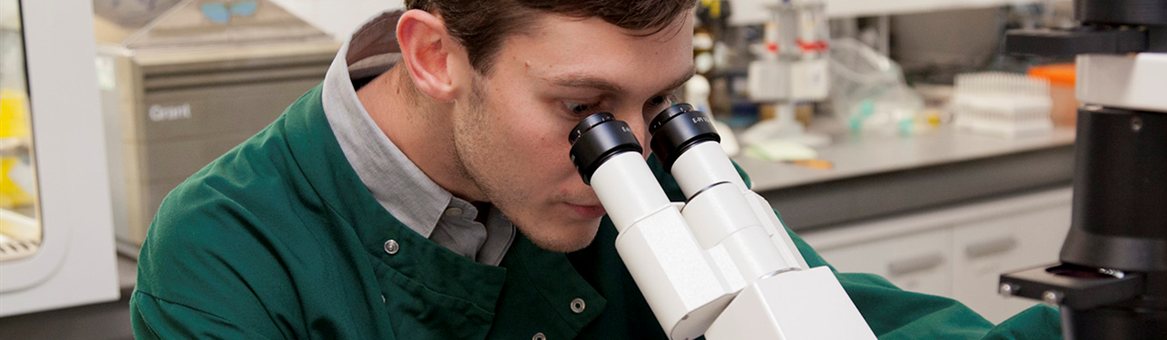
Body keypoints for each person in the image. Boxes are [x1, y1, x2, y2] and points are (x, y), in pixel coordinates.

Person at [130, 1, 1061, 339]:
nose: (634, 154)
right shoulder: (225, 252)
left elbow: (849, 317)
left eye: (661, 106)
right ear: (435, 57)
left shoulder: (634, 171)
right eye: (583, 112)